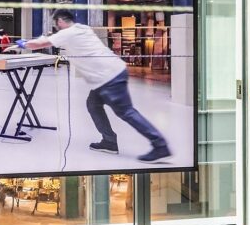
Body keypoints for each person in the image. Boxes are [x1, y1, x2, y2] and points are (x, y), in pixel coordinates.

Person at [17, 9, 171, 163]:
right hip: (106, 76)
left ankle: (160, 145)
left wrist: (24, 44)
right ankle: (109, 141)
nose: (56, 27)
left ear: (60, 21)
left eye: (56, 23)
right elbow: (52, 38)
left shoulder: (68, 32)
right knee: (93, 104)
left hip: (108, 77)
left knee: (126, 112)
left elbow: (42, 43)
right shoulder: (82, 29)